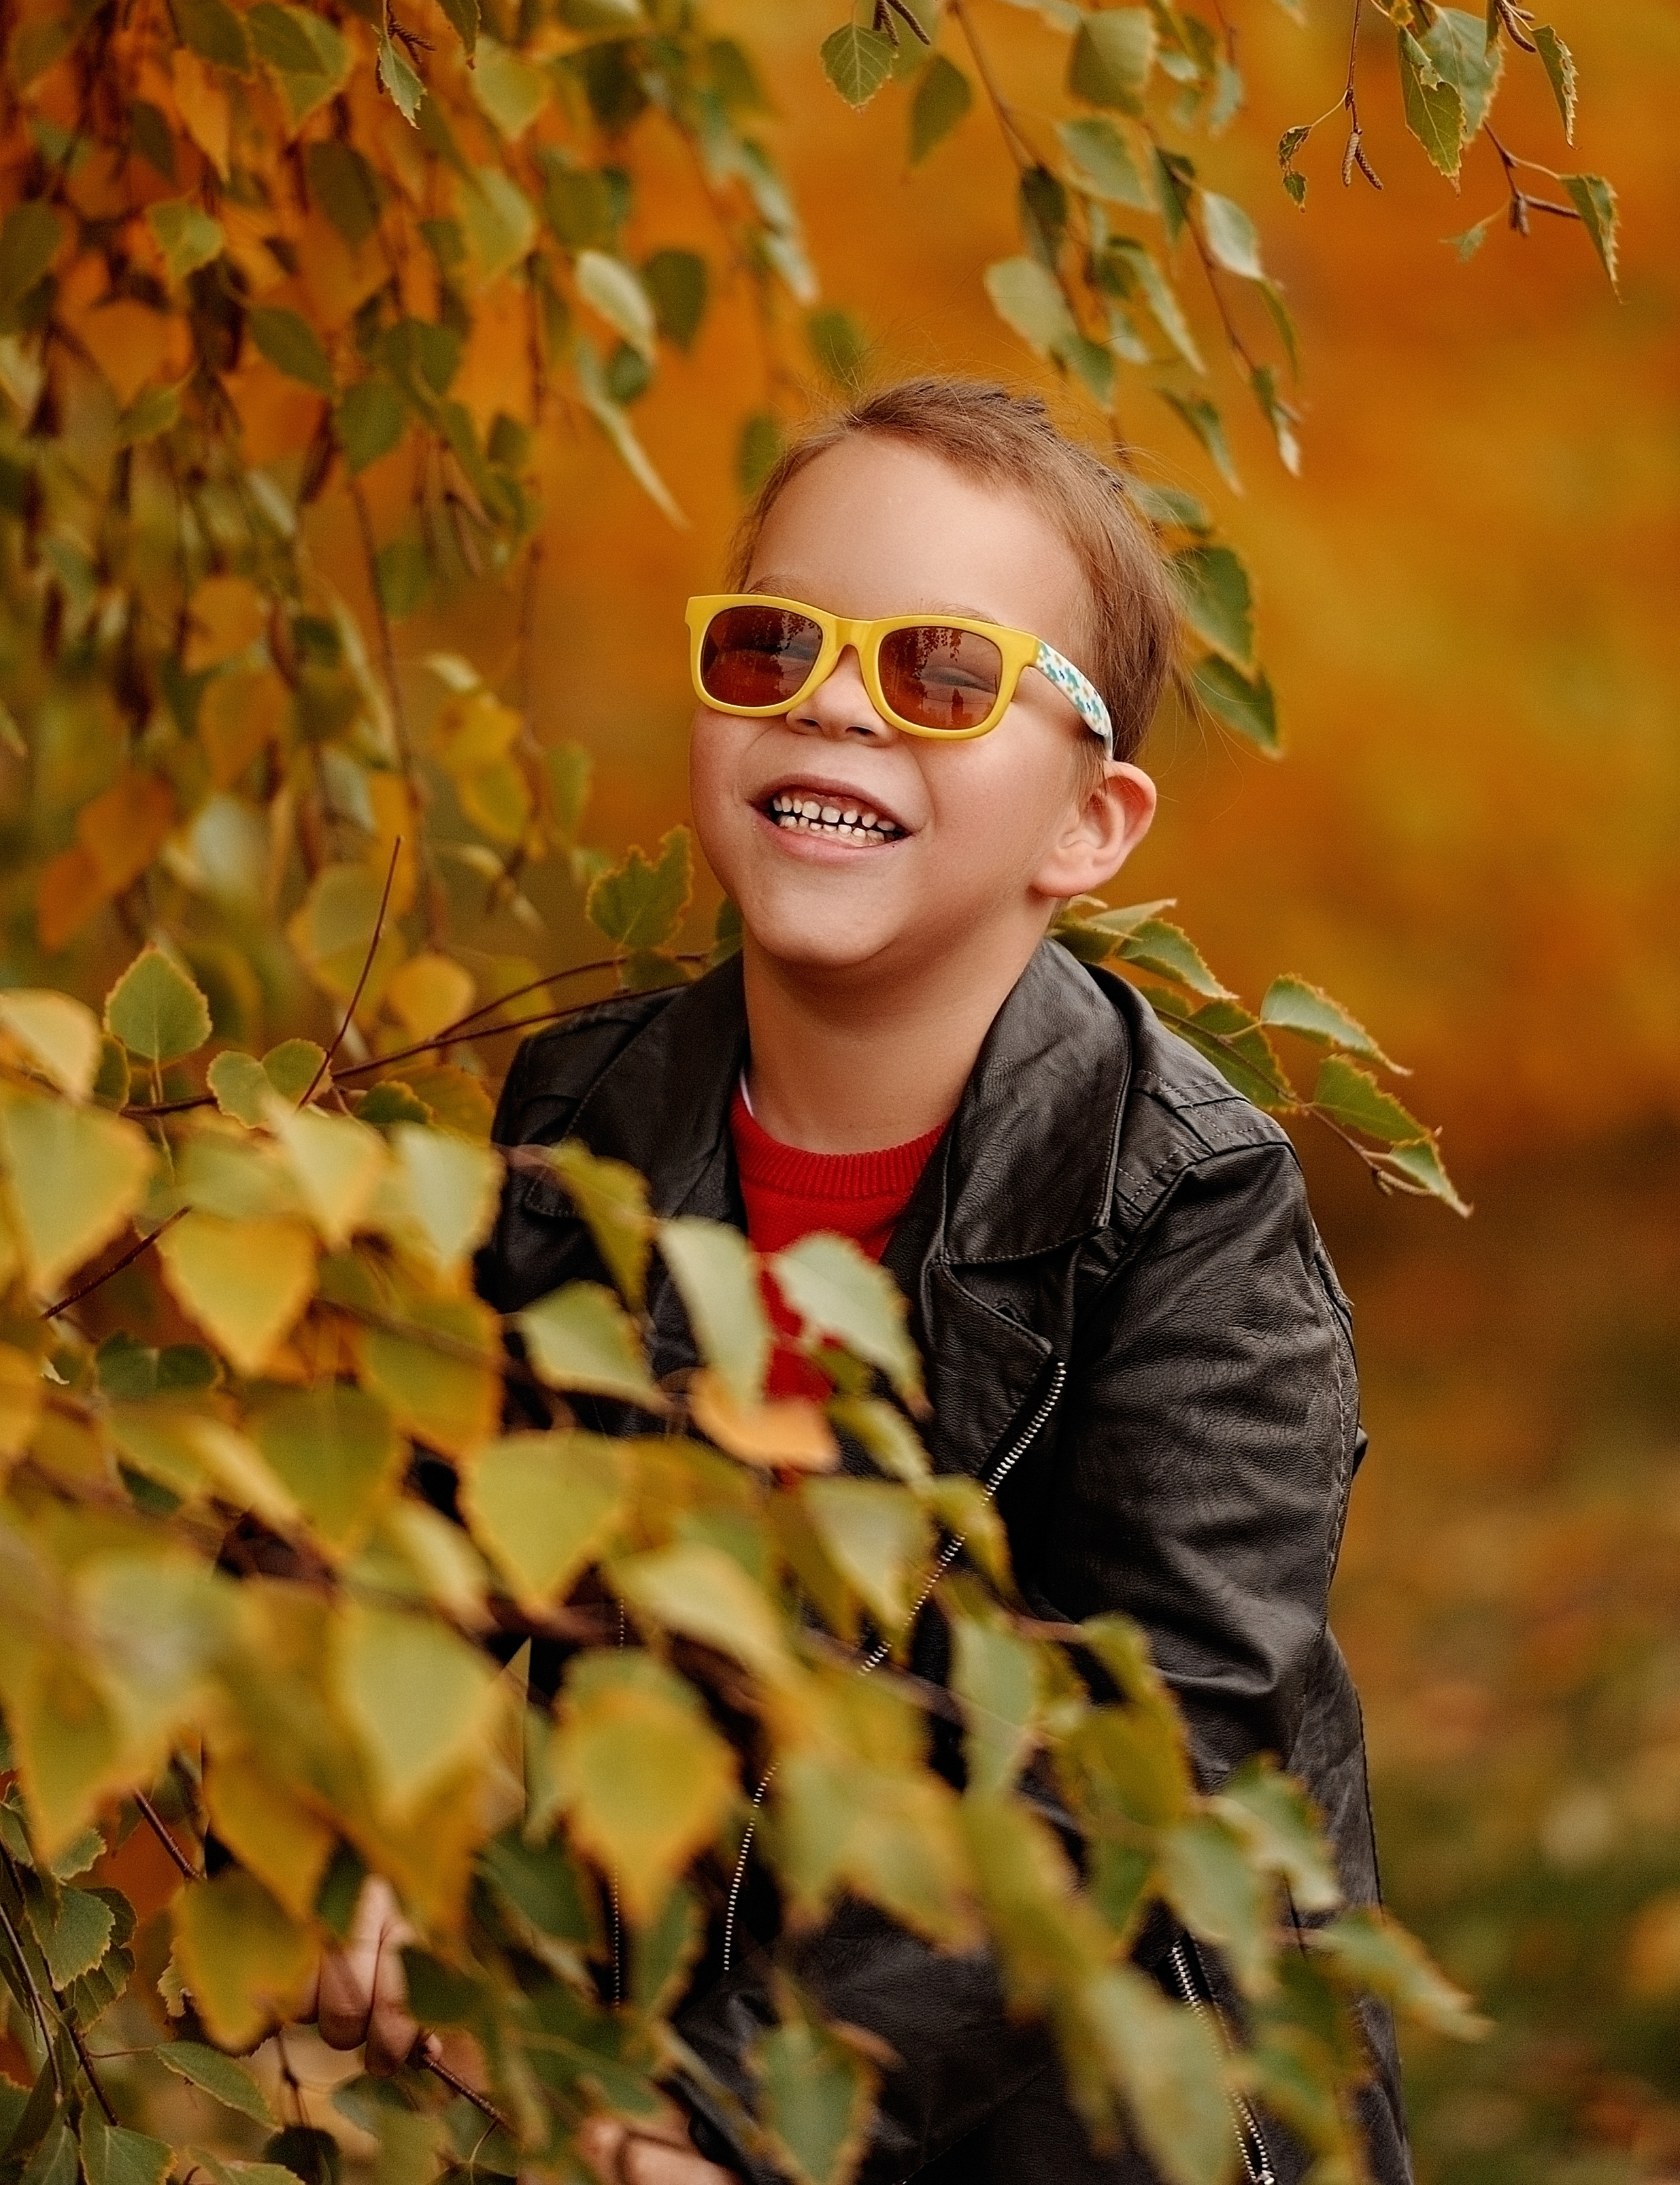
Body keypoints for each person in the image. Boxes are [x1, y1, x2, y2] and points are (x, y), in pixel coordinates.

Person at [312, 378, 1409, 2185]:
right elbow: (412, 1520)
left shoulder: (1187, 1210)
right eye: (774, 644)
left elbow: (1140, 1764)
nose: (831, 701)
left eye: (942, 675)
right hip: (680, 2080)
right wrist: (362, 1803)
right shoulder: (580, 1122)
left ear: (1088, 827)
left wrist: (738, 2104)